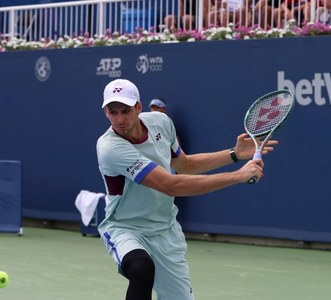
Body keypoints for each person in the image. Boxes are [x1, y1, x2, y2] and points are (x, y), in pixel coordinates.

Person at [96, 79, 277, 300]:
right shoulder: (110, 148)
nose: (120, 119)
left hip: (165, 230)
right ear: (106, 112)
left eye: (125, 111)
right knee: (141, 268)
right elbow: (170, 184)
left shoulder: (161, 123)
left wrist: (234, 155)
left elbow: (185, 165)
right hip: (126, 228)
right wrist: (237, 176)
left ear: (139, 108)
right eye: (113, 112)